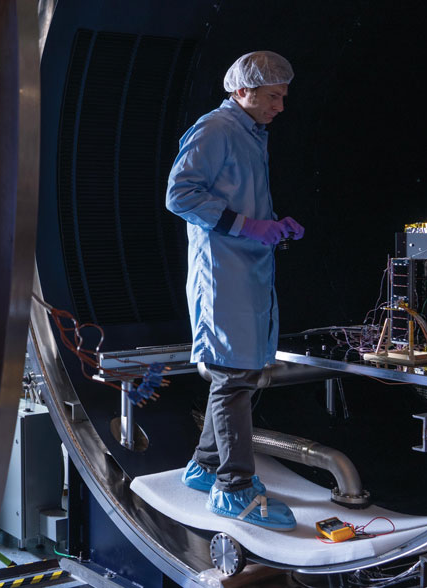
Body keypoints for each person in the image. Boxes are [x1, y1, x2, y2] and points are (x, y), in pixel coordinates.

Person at [164, 51, 305, 531]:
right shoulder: (216, 130)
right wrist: (248, 227)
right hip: (221, 275)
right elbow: (179, 195)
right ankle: (233, 488)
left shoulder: (248, 133)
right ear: (243, 91)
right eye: (273, 96)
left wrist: (271, 226)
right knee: (232, 378)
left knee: (239, 375)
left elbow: (235, 198)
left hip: (242, 271)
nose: (280, 107)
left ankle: (204, 466)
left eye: (283, 97)